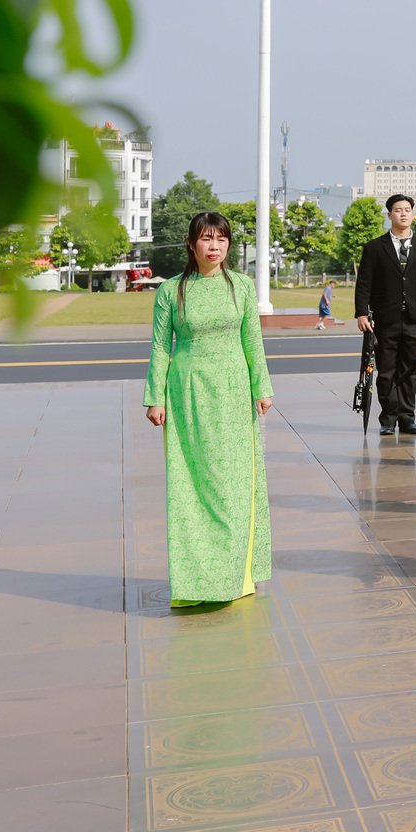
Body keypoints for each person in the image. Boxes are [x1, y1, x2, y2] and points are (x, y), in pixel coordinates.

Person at [143, 212, 274, 608]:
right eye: (206, 239)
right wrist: (155, 397)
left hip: (233, 392)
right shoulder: (171, 290)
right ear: (191, 244)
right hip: (187, 392)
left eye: (220, 239)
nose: (214, 246)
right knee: (191, 485)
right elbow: (161, 346)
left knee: (233, 484)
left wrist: (262, 387)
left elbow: (252, 339)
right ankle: (194, 581)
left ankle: (235, 574)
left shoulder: (242, 286)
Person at [355, 193, 416, 437]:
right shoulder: (375, 248)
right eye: (398, 210)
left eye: (407, 209)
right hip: (386, 320)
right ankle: (388, 418)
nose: (403, 213)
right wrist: (362, 312)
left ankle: (407, 416)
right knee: (386, 371)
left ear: (413, 214)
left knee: (411, 371)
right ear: (389, 215)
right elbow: (364, 283)